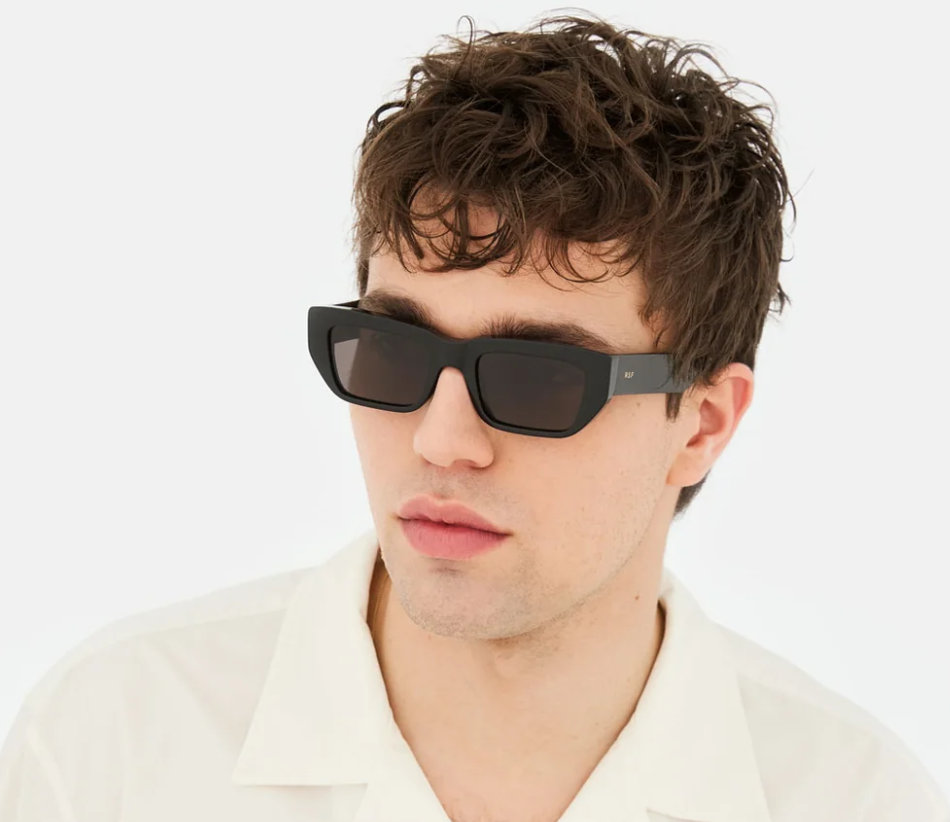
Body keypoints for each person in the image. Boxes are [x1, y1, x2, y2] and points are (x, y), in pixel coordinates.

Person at [1, 11, 947, 822]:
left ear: (700, 425)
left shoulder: (852, 800)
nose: (440, 439)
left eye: (536, 379)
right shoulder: (113, 748)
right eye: (394, 351)